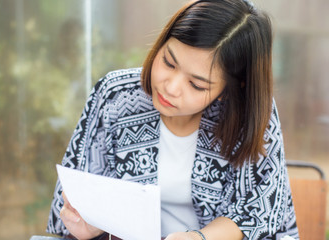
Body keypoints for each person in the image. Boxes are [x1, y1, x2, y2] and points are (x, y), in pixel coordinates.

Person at [47, 0, 299, 239]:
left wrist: (199, 238)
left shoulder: (251, 115)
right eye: (168, 62)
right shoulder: (115, 96)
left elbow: (260, 210)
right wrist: (87, 222)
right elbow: (77, 189)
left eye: (197, 84)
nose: (171, 87)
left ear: (230, 90)